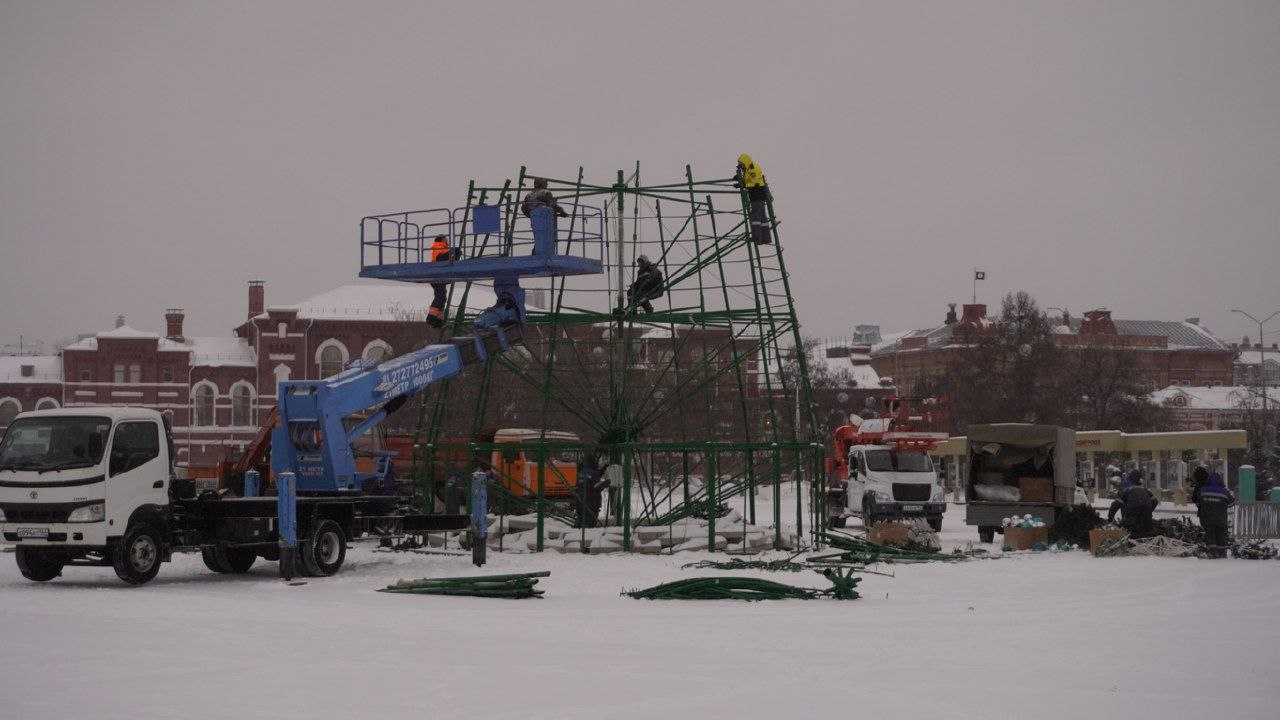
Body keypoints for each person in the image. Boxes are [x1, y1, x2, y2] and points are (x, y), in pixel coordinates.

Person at [1192, 471, 1236, 558]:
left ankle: (1212, 553)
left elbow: (1197, 499)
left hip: (1207, 517)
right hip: (1221, 518)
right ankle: (1222, 554)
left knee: (1210, 535)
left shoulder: (1203, 490)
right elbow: (1232, 503)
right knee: (1221, 535)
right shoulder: (1224, 492)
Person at [521, 178, 568, 256]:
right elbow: (552, 205)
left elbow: (523, 208)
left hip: (534, 218)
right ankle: (543, 253)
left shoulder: (528, 195)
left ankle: (536, 251)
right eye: (546, 183)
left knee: (538, 236)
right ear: (543, 184)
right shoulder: (546, 192)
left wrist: (531, 215)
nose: (547, 185)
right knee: (546, 237)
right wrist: (562, 211)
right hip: (544, 216)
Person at [734, 153, 772, 244]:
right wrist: (739, 179)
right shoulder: (748, 170)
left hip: (757, 196)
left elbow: (755, 184)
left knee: (755, 218)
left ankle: (756, 238)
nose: (741, 167)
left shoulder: (753, 169)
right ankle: (766, 238)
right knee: (763, 219)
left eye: (742, 165)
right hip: (756, 196)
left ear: (746, 163)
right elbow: (748, 180)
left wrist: (742, 185)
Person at [427, 234, 454, 329]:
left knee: (442, 297)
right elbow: (440, 258)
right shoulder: (438, 247)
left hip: (439, 276)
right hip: (436, 275)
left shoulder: (443, 248)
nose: (447, 240)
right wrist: (450, 253)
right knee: (440, 297)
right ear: (442, 240)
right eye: (446, 239)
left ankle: (438, 321)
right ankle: (431, 318)